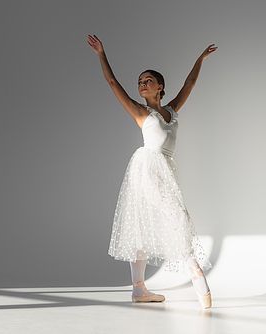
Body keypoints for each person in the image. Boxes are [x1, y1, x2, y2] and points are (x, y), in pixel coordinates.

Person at [87, 35, 217, 309]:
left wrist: (199, 60)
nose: (141, 84)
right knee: (176, 215)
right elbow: (113, 83)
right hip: (147, 168)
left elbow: (189, 84)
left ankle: (139, 289)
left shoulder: (172, 111)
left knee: (143, 226)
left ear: (160, 87)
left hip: (164, 168)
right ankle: (195, 272)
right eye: (139, 81)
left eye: (147, 80)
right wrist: (101, 54)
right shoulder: (140, 112)